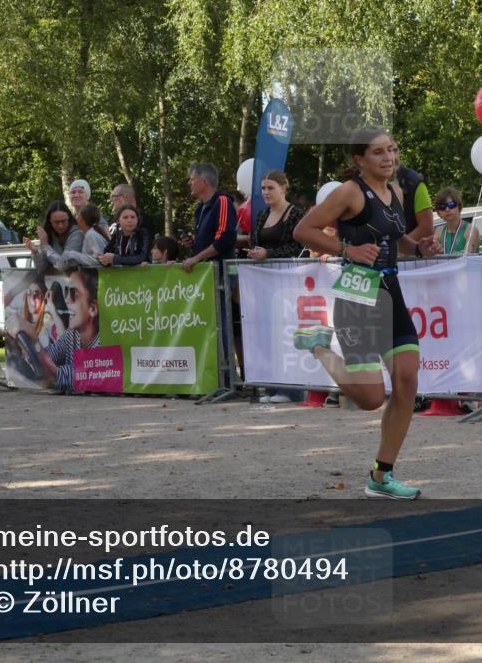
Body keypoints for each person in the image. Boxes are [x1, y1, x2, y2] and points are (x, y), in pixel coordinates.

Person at [293, 127, 440, 500]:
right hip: (358, 293)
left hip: (391, 290)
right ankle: (319, 347)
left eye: (392, 150)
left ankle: (381, 476)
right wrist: (347, 250)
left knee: (407, 382)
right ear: (359, 159)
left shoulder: (397, 191)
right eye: (378, 152)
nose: (388, 157)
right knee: (372, 398)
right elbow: (303, 230)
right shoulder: (350, 192)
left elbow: (398, 240)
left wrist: (420, 248)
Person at [245, 169, 306, 403]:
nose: (266, 192)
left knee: (285, 333)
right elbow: (254, 241)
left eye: (270, 187)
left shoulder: (295, 214)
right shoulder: (261, 215)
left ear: (283, 187)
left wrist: (268, 253)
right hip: (263, 283)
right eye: (263, 188)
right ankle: (271, 387)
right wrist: (255, 252)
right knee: (266, 334)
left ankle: (291, 390)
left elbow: (297, 247)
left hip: (287, 283)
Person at [38, 268, 100, 392]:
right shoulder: (73, 334)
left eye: (73, 294)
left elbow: (69, 375)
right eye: (66, 291)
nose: (67, 299)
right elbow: (53, 353)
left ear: (92, 309)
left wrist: (33, 342)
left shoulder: (103, 342)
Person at [183, 163, 238, 273]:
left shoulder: (223, 201)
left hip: (219, 276)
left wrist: (196, 258)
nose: (189, 183)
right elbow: (209, 240)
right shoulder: (200, 208)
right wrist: (194, 243)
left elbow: (224, 239)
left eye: (192, 179)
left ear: (205, 182)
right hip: (204, 275)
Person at [25, 202, 83, 273]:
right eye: (56, 222)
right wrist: (35, 252)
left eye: (63, 221)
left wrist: (46, 246)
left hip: (76, 280)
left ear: (69, 219)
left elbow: (63, 265)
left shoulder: (77, 234)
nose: (60, 226)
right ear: (50, 221)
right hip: (55, 280)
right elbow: (41, 269)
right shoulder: (48, 235)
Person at [394, 150, 434, 241]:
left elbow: (427, 228)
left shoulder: (413, 182)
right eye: (378, 152)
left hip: (406, 254)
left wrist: (396, 250)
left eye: (394, 150)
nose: (390, 156)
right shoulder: (358, 184)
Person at [433, 186, 478, 255]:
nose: (447, 209)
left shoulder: (471, 230)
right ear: (439, 212)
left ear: (459, 207)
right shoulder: (438, 231)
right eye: (442, 207)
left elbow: (467, 259)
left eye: (451, 205)